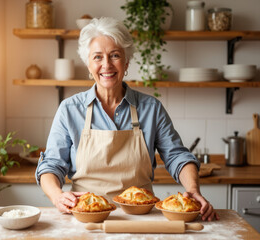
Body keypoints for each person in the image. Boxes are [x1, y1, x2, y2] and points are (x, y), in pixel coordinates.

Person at [35, 17, 219, 221]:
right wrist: (57, 196)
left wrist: (193, 189)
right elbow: (51, 165)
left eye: (114, 55)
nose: (106, 65)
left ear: (126, 62)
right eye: (97, 57)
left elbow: (177, 157)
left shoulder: (151, 108)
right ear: (88, 64)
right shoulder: (69, 110)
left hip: (141, 218)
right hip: (85, 218)